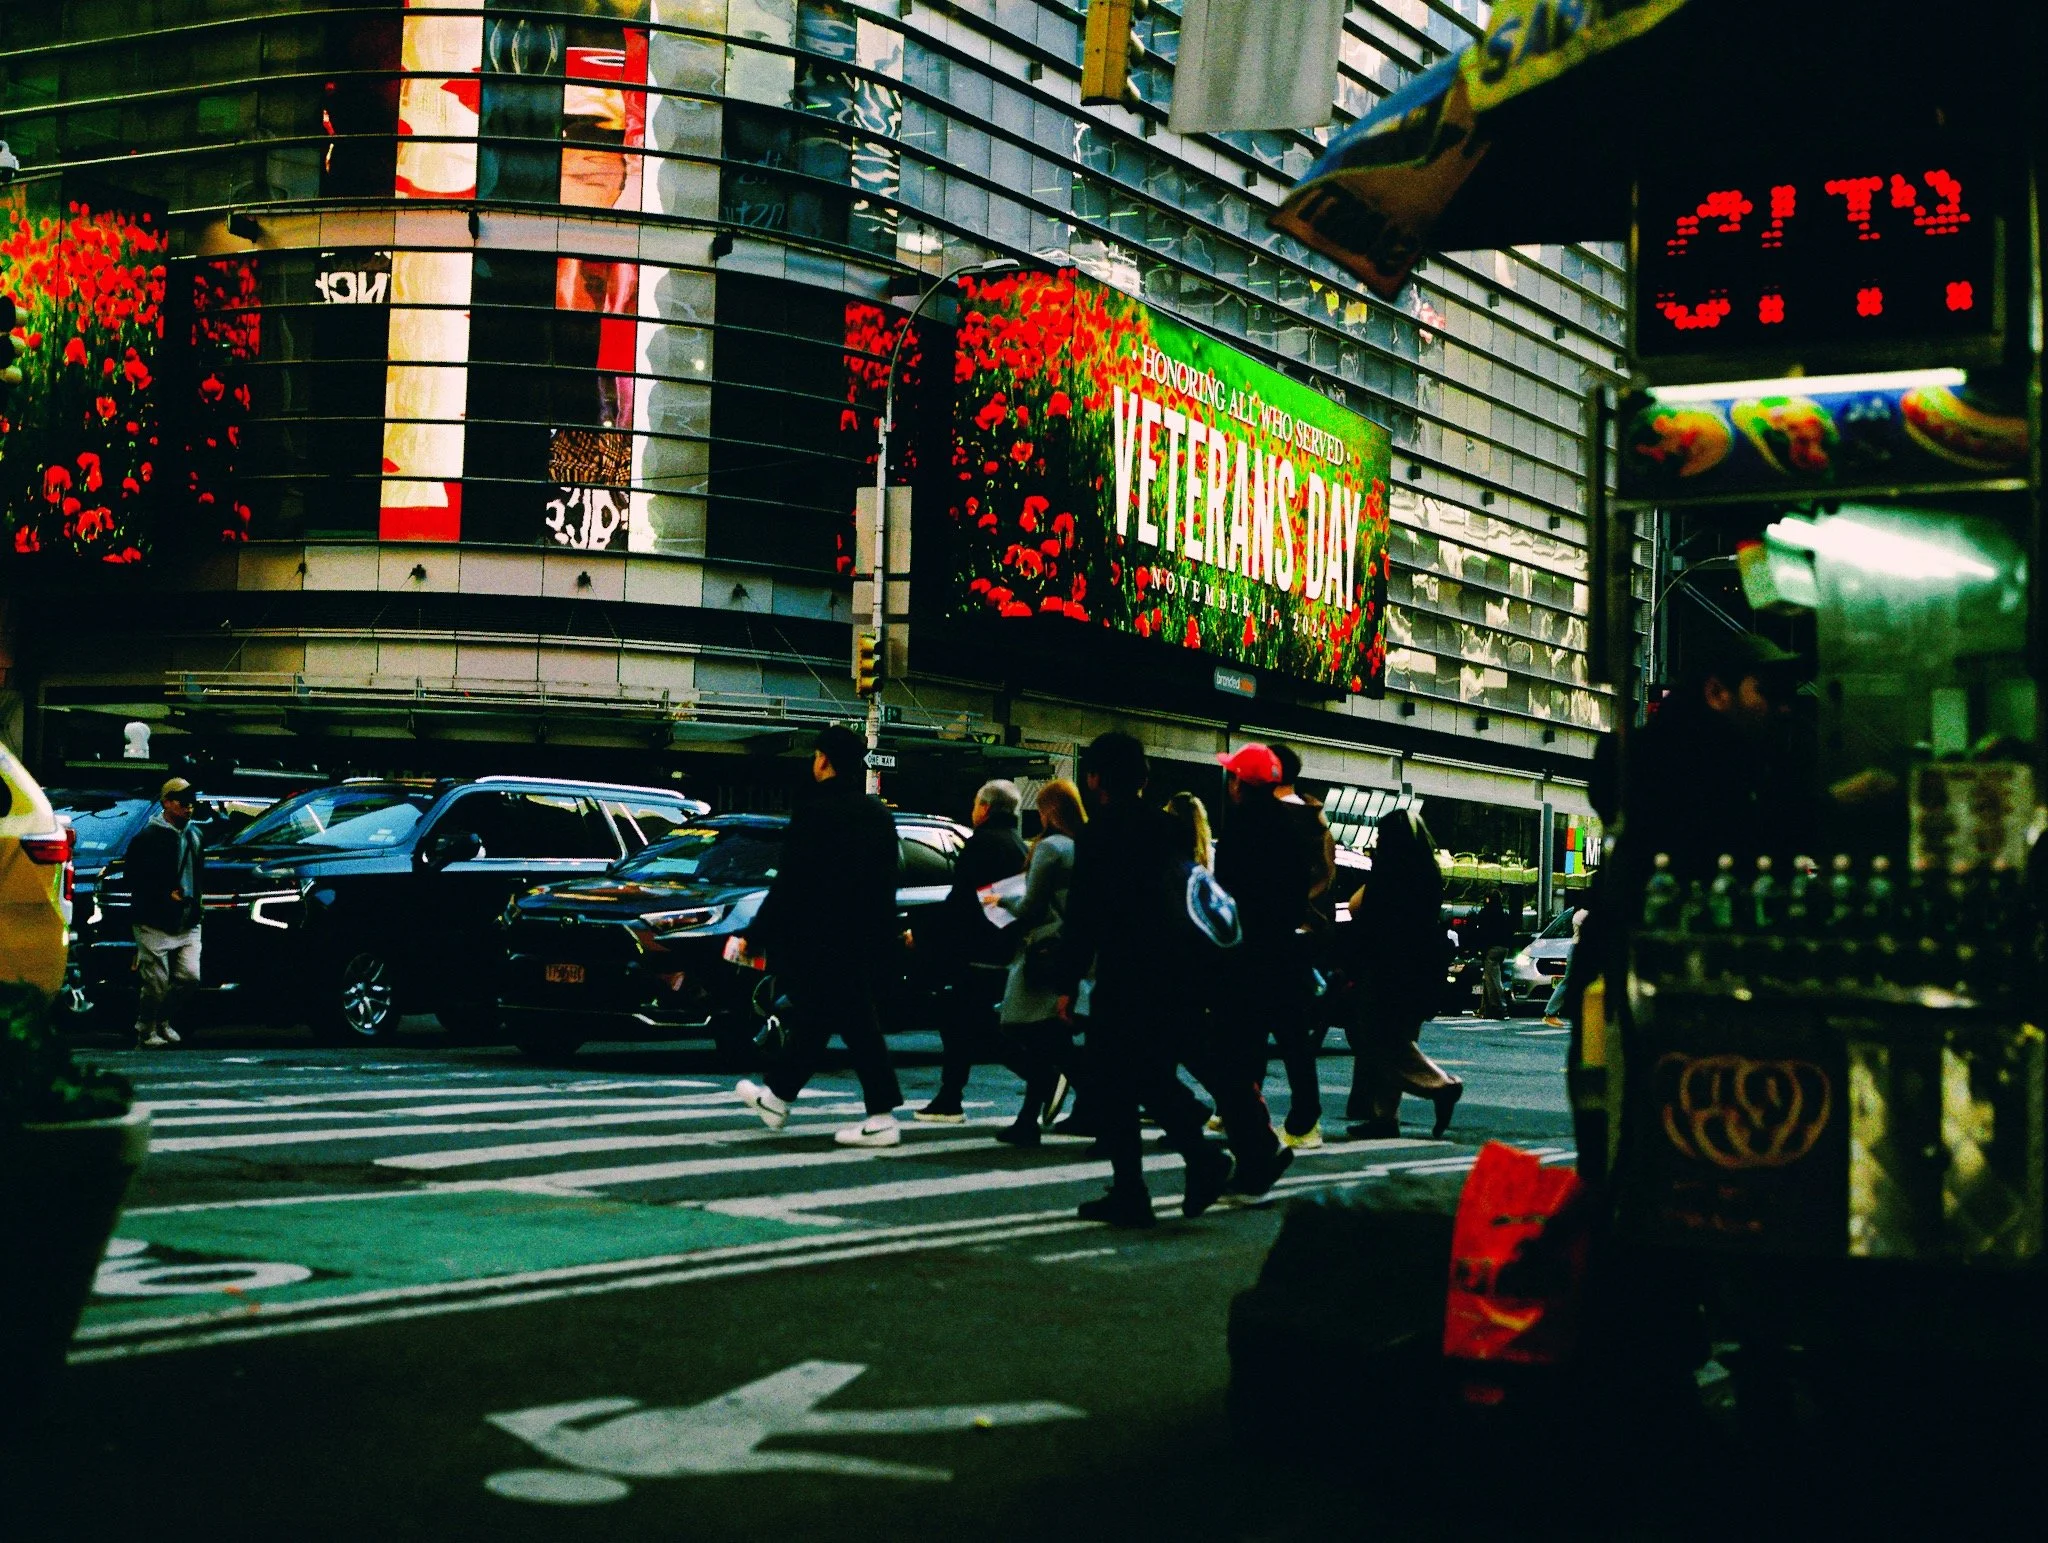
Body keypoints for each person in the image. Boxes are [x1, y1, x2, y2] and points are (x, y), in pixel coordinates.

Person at [1055, 731, 1235, 1228]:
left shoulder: (1097, 835)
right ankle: (1192, 1162)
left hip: (1125, 975)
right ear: (1145, 778)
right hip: (1175, 973)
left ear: (1093, 779)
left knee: (1117, 1080)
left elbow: (1084, 916)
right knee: (1145, 1075)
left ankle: (1147, 1183)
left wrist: (1067, 981)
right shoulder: (1171, 831)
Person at [736, 725, 906, 1147]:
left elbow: (790, 885)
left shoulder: (814, 813)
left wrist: (754, 936)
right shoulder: (879, 815)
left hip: (820, 939)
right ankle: (777, 1098)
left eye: (815, 756)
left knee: (852, 1024)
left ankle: (881, 1117)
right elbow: (887, 886)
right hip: (862, 939)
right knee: (823, 1018)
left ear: (825, 761)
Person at [1214, 745, 1329, 1149]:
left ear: (1240, 784)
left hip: (1247, 947)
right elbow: (1302, 885)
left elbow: (1225, 893)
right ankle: (1303, 1120)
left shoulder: (1238, 828)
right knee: (1293, 1038)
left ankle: (1244, 1115)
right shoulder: (1291, 826)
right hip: (1285, 944)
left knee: (1242, 1038)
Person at [1624, 633, 1806, 885]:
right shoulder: (1675, 768)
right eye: (1770, 692)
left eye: (1788, 695)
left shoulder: (1759, 765)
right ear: (1717, 692)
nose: (1784, 708)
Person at [1344, 806, 1463, 1139]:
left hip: (1387, 968)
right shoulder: (1427, 872)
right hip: (1421, 970)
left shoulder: (1390, 872)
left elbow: (1358, 908)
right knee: (1400, 1036)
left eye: (1381, 837)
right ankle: (1385, 1117)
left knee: (1376, 1039)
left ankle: (1440, 1086)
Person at [919, 780, 1029, 1122]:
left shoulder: (982, 843)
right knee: (967, 1024)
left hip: (973, 948)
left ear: (984, 807)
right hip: (1000, 946)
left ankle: (1043, 1072)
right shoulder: (1017, 845)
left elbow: (963, 901)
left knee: (970, 1027)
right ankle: (950, 1096)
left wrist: (923, 935)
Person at [990, 780, 1087, 1146]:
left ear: (1048, 810)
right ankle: (1034, 1117)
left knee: (1016, 1027)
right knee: (1052, 1037)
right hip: (1072, 952)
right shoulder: (1083, 845)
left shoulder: (1049, 848)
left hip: (1043, 951)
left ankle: (1051, 1101)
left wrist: (1000, 902)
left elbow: (1031, 908)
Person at [127, 776, 204, 1049]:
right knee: (157, 982)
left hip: (186, 918)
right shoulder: (147, 837)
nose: (189, 808)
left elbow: (198, 874)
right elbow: (132, 877)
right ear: (166, 803)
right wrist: (162, 895)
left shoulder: (195, 835)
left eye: (191, 803)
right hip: (153, 920)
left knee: (190, 977)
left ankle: (161, 1020)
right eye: (182, 803)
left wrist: (195, 904)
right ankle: (146, 1027)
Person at [1472, 891, 1515, 1017]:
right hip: (1503, 948)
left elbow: (1482, 932)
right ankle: (1484, 1007)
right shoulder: (1503, 912)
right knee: (1489, 977)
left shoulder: (1487, 912)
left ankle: (1499, 1007)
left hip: (1492, 948)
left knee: (1493, 980)